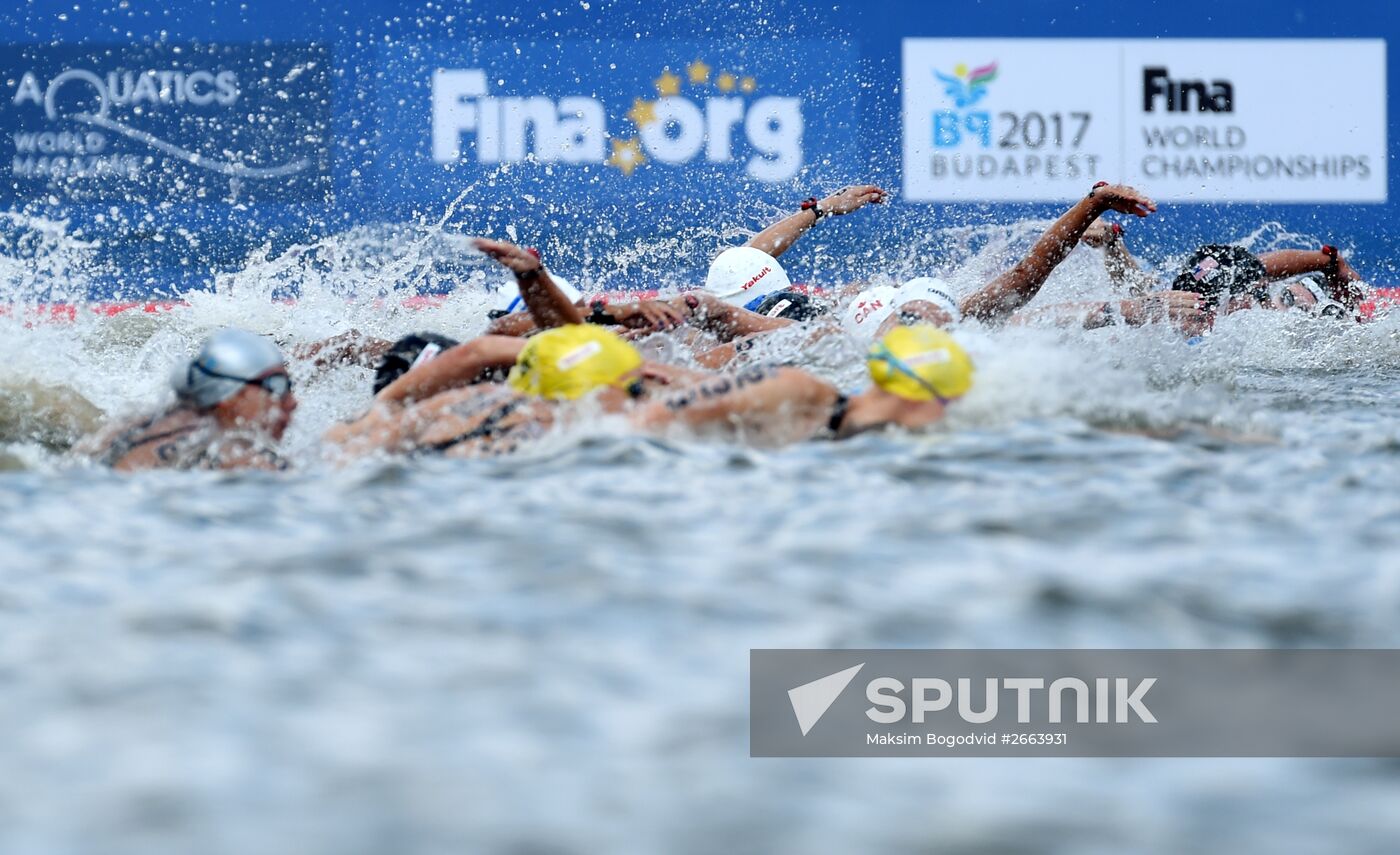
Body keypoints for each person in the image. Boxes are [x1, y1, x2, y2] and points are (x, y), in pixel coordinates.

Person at [78, 329, 297, 471]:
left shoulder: (129, 427)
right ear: (230, 397)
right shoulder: (247, 459)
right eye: (277, 387)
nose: (292, 402)